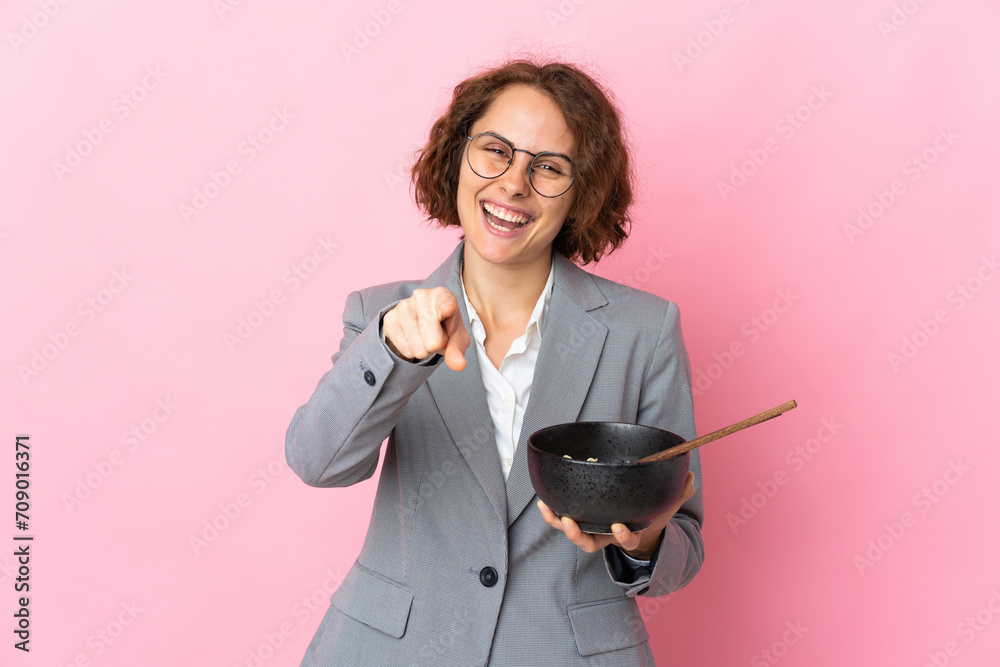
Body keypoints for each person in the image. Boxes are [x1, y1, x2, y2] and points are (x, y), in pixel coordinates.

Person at [285, 59, 704, 666]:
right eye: (496, 151)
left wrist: (644, 539)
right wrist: (392, 351)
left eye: (548, 167)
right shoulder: (381, 315)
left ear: (581, 192)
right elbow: (318, 462)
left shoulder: (645, 330)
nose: (513, 184)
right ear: (459, 156)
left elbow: (683, 547)